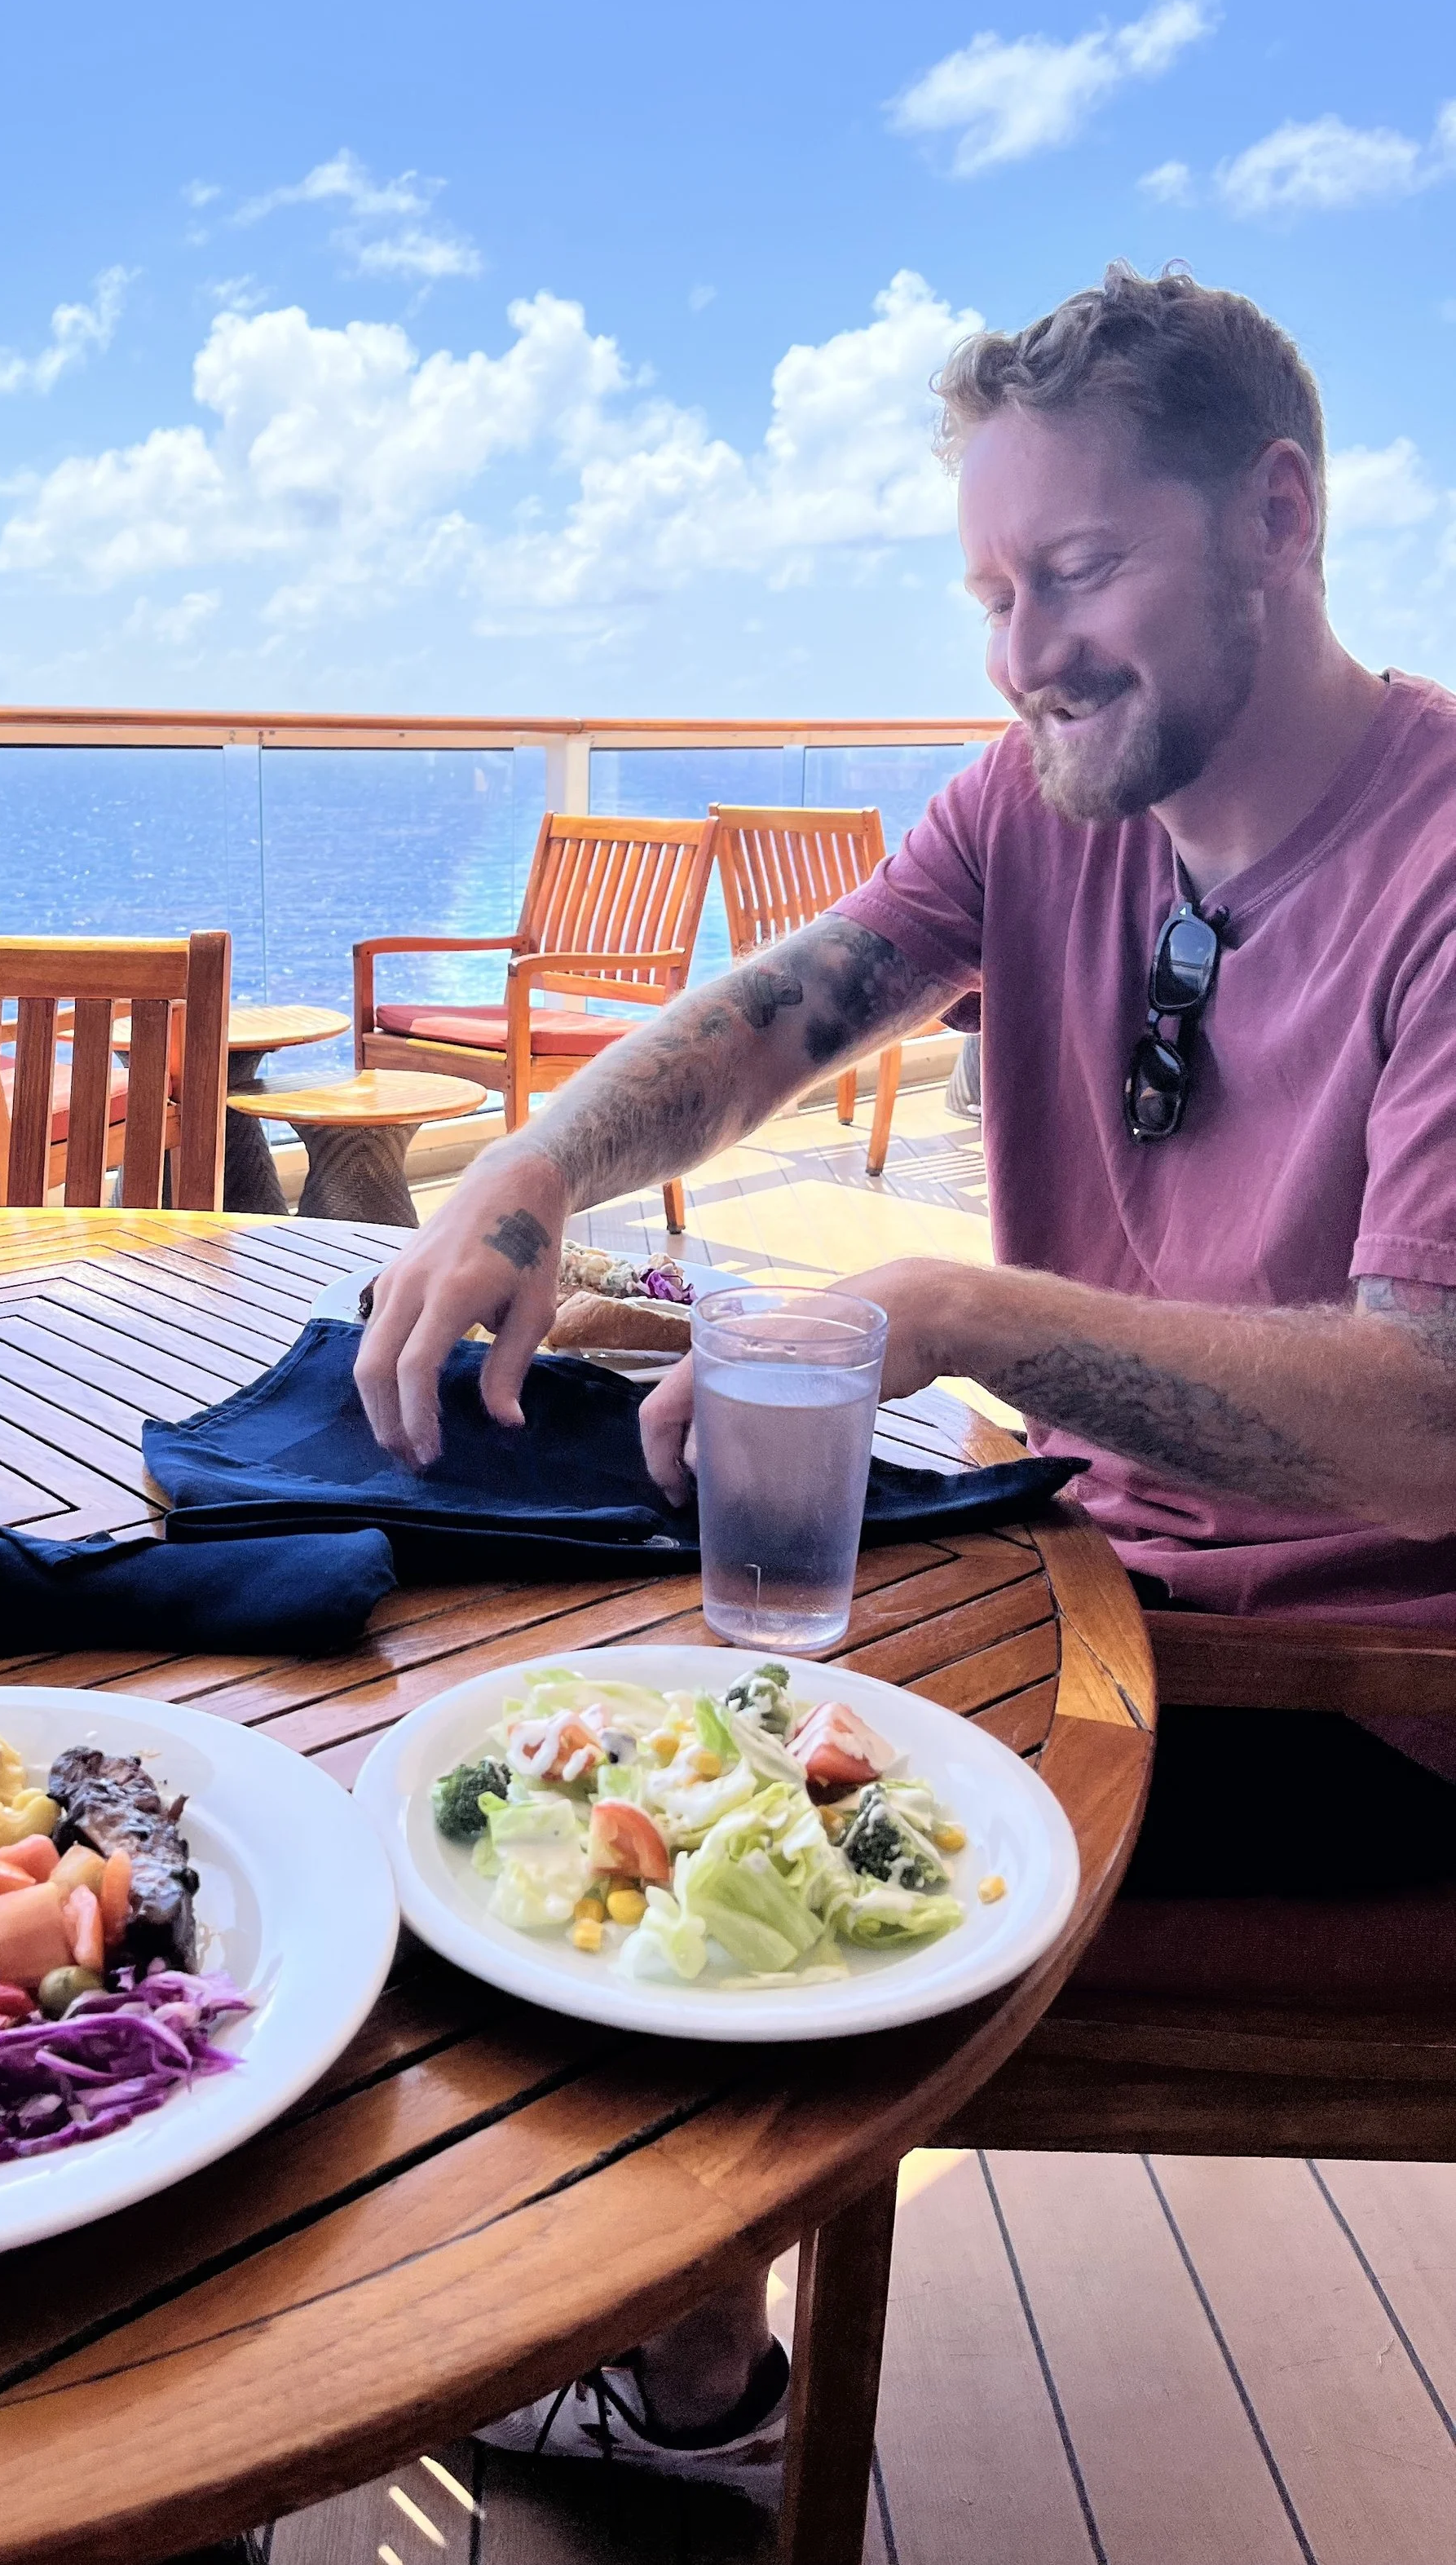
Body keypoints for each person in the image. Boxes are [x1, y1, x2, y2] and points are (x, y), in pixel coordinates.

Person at [354, 262, 1456, 2498]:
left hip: (1343, 1707)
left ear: (1276, 517)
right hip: (1086, 1597)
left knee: (613, 1746)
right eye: (987, 588)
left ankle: (682, 2391)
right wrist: (539, 1169)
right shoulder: (1056, 798)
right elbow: (787, 1007)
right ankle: (679, 2344)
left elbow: (1421, 1419)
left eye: (1073, 570)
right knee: (504, 1609)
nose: (1021, 647)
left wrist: (949, 1318)